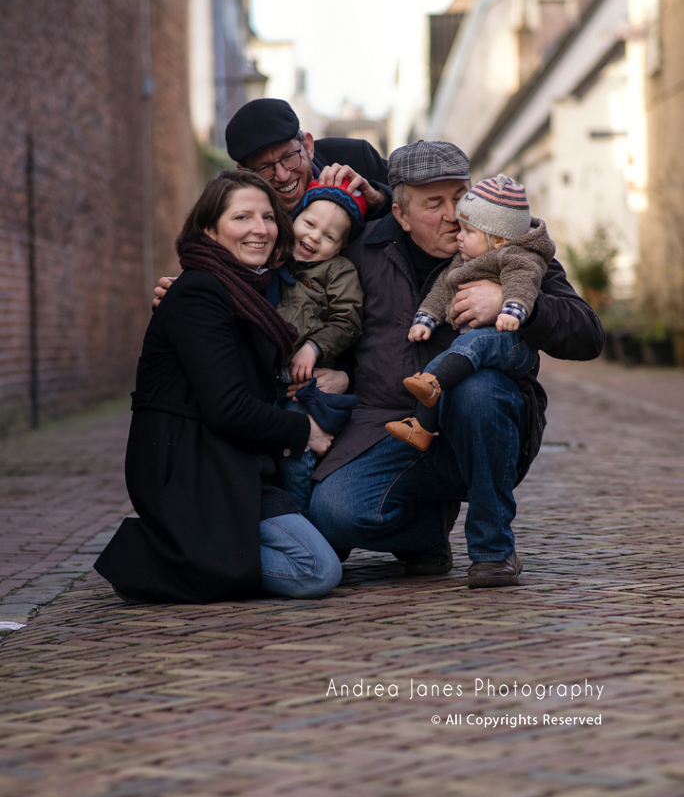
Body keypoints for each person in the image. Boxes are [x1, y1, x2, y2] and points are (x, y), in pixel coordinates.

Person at [308, 140, 605, 590]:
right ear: (401, 215)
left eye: (460, 196)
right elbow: (305, 297)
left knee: (477, 389)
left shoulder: (507, 243)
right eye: (434, 203)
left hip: (485, 427)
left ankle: (493, 552)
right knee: (331, 515)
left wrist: (516, 302)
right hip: (388, 429)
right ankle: (426, 534)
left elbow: (588, 334)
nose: (455, 214)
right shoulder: (362, 251)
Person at [94, 171, 342, 604]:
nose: (259, 229)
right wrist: (306, 434)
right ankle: (159, 556)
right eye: (241, 217)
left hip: (234, 461)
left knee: (322, 549)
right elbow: (227, 407)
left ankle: (206, 551)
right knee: (315, 570)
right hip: (193, 470)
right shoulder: (200, 293)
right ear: (209, 229)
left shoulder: (243, 292)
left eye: (267, 217)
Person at [386, 173, 556, 451]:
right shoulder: (464, 259)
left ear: (498, 239)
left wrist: (511, 308)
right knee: (437, 366)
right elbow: (443, 287)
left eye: (469, 231)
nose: (458, 235)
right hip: (473, 344)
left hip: (510, 342)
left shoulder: (519, 256)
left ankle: (436, 385)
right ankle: (422, 428)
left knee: (470, 346)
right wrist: (426, 318)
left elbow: (522, 281)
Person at [276, 179, 367, 513]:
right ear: (295, 219)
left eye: (329, 236)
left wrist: (314, 346)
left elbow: (347, 320)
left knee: (296, 456)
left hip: (308, 385)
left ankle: (302, 519)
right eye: (310, 224)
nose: (314, 237)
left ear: (340, 247)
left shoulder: (338, 271)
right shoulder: (275, 257)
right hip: (268, 378)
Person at [225, 98, 391, 217]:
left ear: (309, 146)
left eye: (289, 157)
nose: (283, 176)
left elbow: (410, 205)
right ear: (245, 174)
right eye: (264, 167)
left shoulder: (357, 156)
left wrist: (379, 199)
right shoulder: (241, 216)